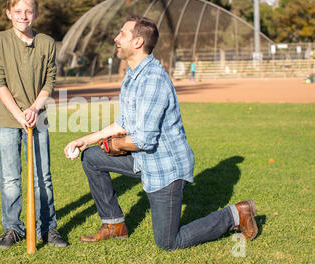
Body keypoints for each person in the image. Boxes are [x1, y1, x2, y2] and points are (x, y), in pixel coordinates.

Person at [64, 15, 258, 251]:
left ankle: (236, 214)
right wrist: (84, 140)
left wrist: (114, 146)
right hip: (143, 159)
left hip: (165, 167)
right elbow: (123, 123)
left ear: (137, 43)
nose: (116, 38)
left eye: (122, 34)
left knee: (168, 242)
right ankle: (114, 225)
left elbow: (144, 140)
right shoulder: (132, 76)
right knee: (92, 158)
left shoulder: (153, 79)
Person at [0, 0, 67, 249]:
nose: (24, 16)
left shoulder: (46, 42)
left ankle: (48, 228)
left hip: (37, 117)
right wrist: (18, 113)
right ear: (9, 13)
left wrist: (34, 108)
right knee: (10, 178)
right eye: (18, 11)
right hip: (8, 117)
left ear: (36, 14)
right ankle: (13, 229)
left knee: (43, 176)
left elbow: (50, 80)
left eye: (28, 11)